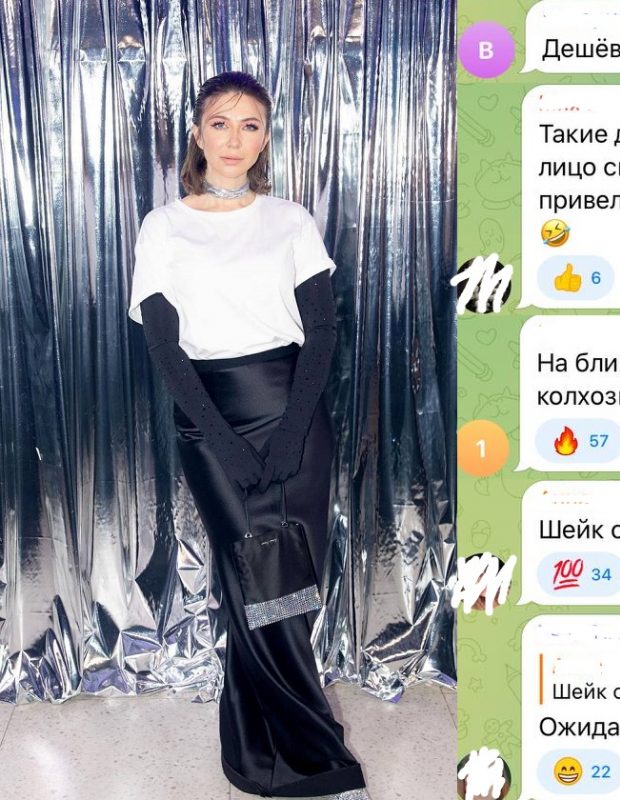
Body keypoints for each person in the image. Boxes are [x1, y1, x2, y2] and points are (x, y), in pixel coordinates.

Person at [127, 71, 368, 799]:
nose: (235, 139)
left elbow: (322, 332)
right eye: (221, 123)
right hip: (210, 420)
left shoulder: (290, 220)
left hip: (295, 412)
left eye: (251, 125)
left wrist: (292, 433)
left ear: (265, 139)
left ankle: (257, 748)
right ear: (197, 134)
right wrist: (226, 442)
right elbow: (164, 347)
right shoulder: (164, 226)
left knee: (289, 587)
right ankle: (318, 760)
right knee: (253, 580)